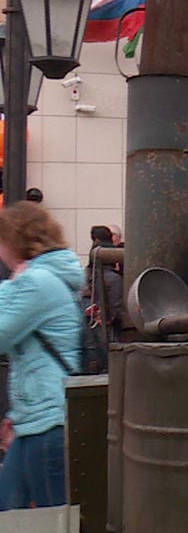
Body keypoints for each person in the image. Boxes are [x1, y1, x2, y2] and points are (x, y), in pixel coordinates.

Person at [0, 201, 83, 510]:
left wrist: (12, 284)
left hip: (48, 419)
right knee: (10, 512)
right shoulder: (43, 279)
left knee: (56, 521)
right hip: (35, 417)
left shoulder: (36, 282)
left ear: (13, 240)